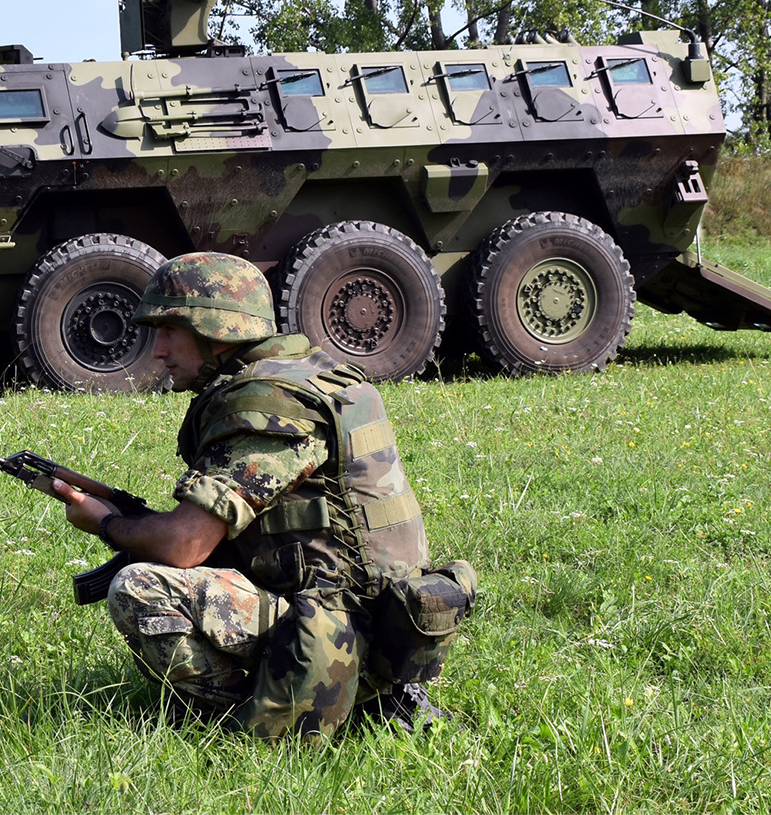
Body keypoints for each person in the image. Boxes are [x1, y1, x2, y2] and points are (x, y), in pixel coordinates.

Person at [49, 252, 476, 741]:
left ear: (215, 328)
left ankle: (254, 717)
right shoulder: (316, 375)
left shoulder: (266, 402)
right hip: (382, 617)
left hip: (337, 634)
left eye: (169, 329)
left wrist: (105, 523)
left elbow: (183, 544)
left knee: (138, 587)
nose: (158, 350)